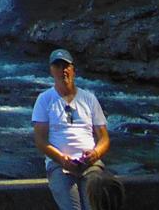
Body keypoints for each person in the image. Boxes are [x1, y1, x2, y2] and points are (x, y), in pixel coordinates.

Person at [32, 48, 113, 210]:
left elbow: (104, 138)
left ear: (73, 69)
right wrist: (61, 159)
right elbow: (40, 140)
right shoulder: (44, 100)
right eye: (58, 66)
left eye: (66, 66)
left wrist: (95, 153)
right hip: (59, 165)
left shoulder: (89, 98)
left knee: (94, 206)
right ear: (51, 71)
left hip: (90, 164)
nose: (63, 71)